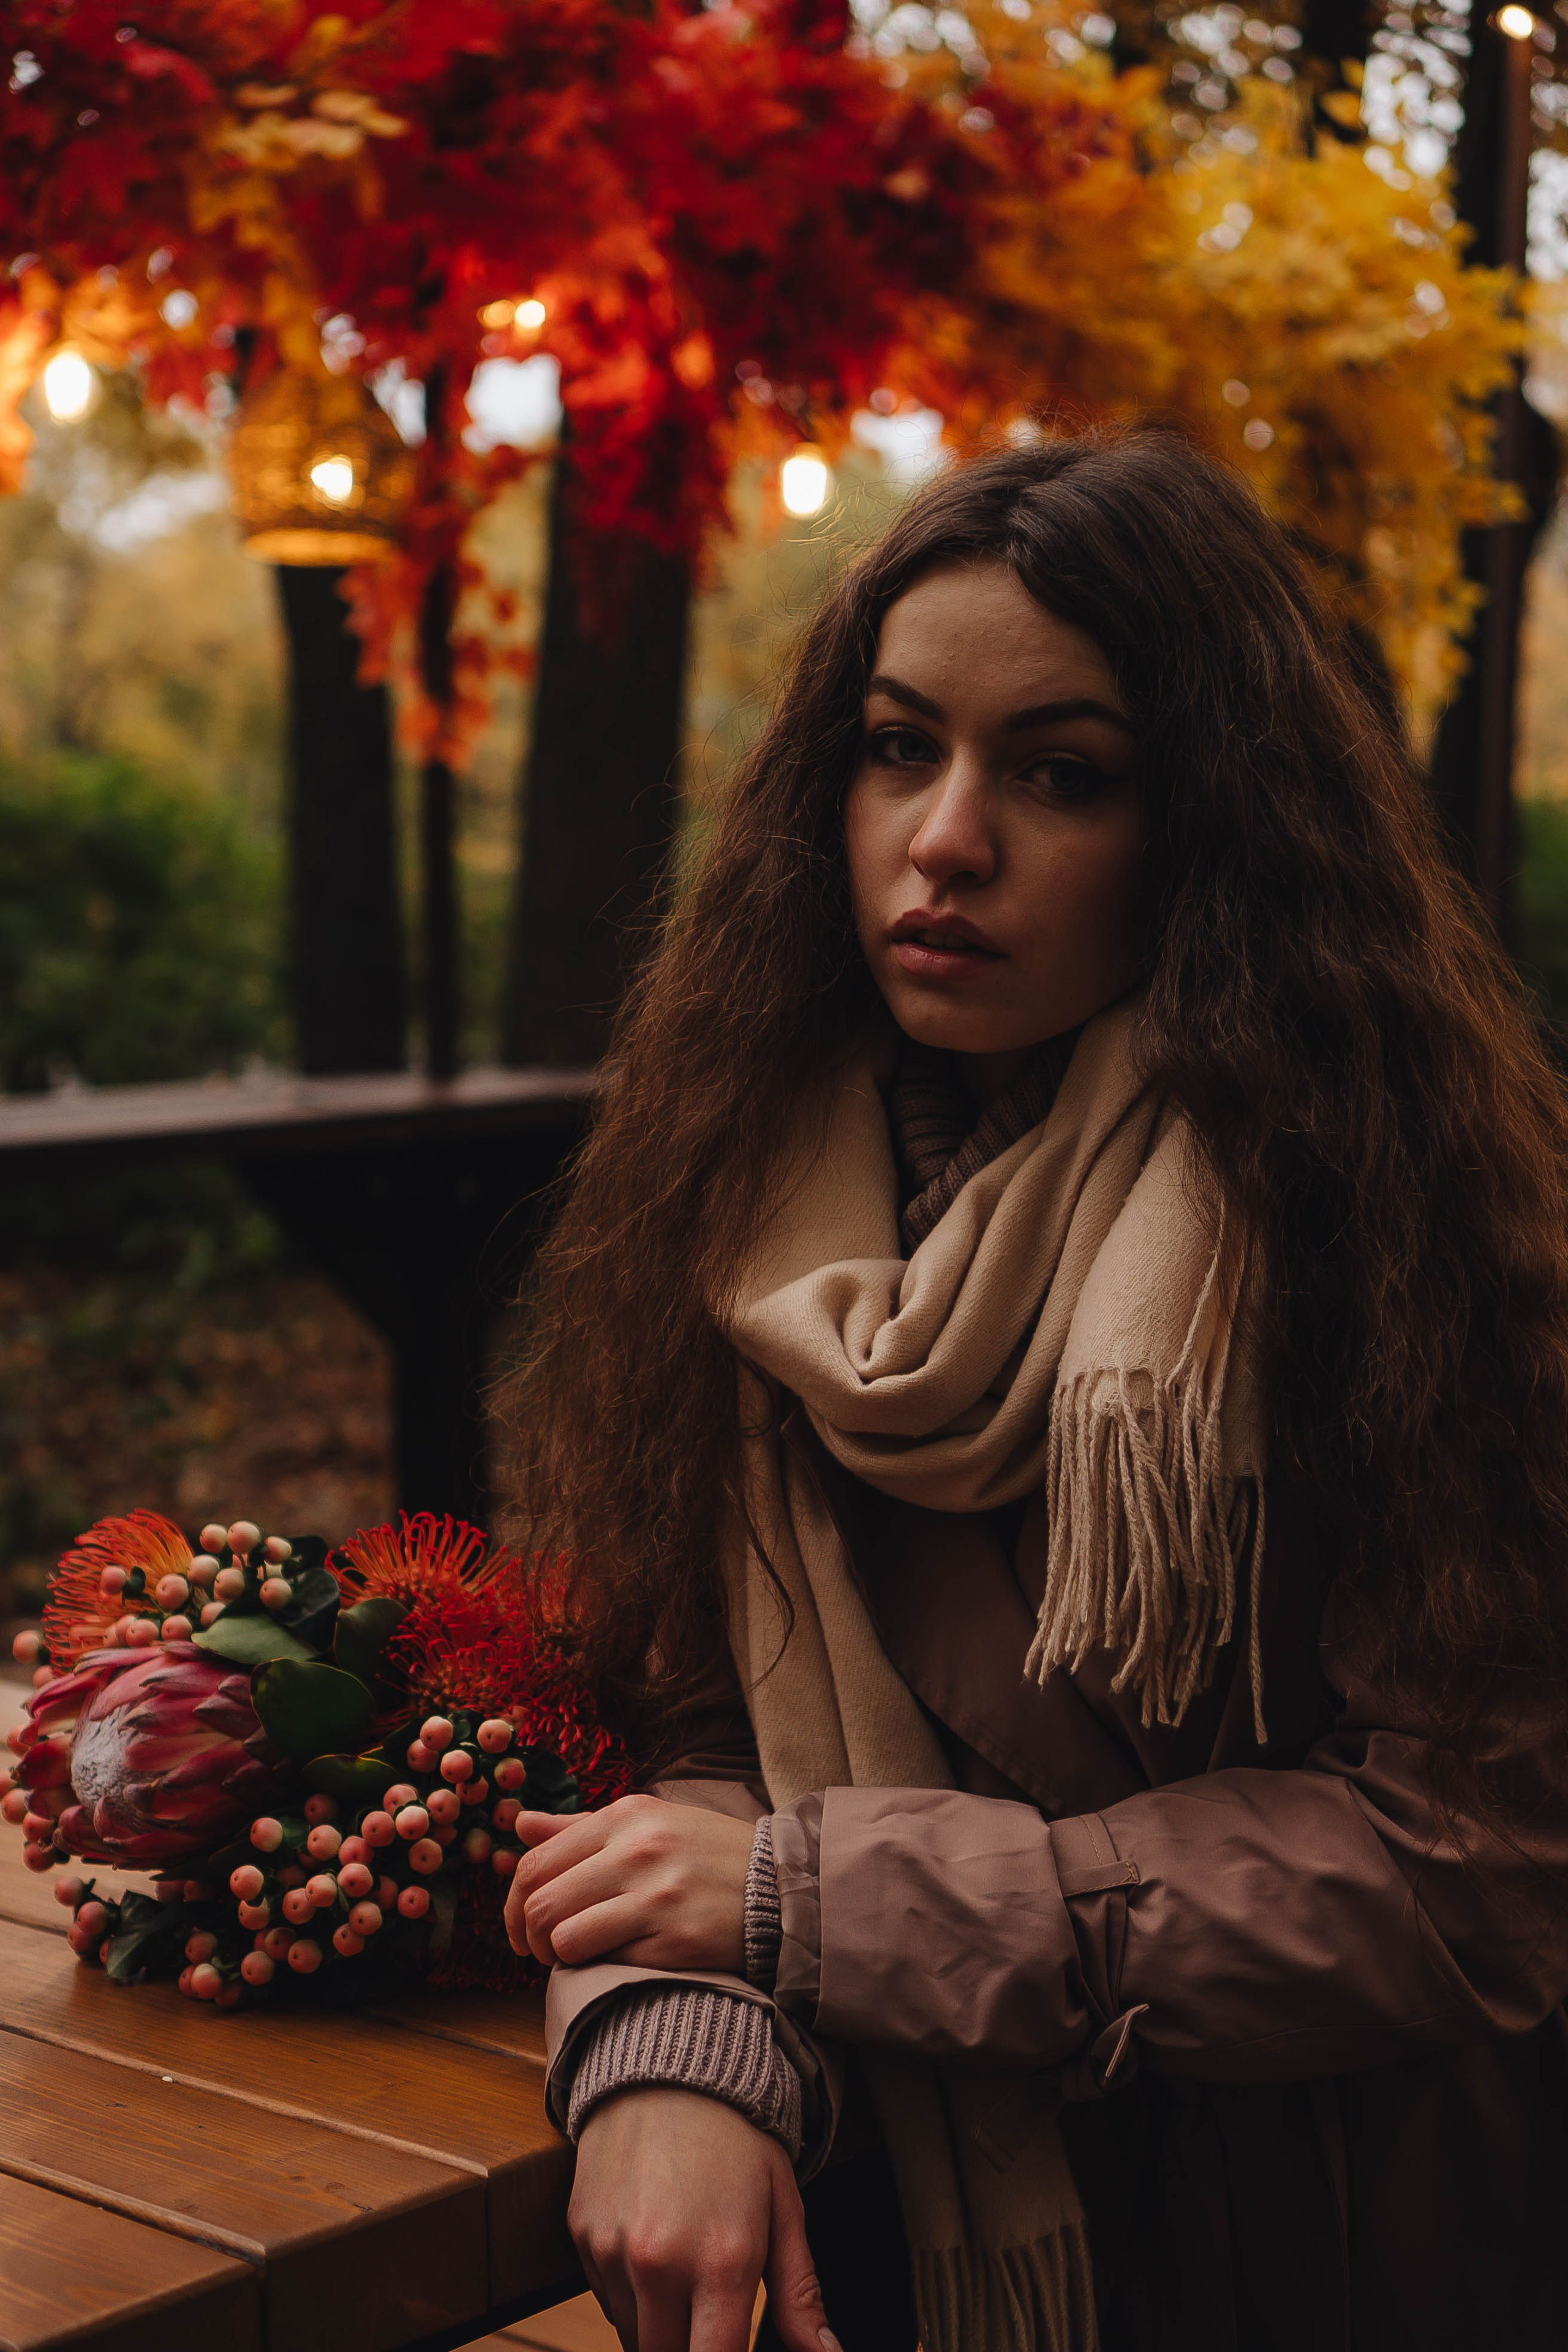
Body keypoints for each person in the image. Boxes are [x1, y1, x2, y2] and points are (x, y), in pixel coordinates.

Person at [500, 428, 1568, 2352]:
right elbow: (671, 1754)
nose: (948, 839)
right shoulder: (732, 1205)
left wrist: (810, 1913)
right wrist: (669, 2044)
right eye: (901, 748)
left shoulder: (1378, 1226)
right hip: (906, 2240)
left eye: (1061, 775)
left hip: (1325, 2248)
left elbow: (1470, 1874)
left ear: (1213, 829)